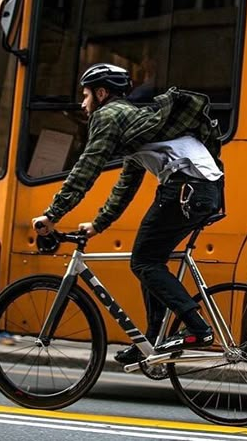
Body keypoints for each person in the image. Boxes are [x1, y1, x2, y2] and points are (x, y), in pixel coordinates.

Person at [32, 63, 224, 364]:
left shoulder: (108, 116)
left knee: (144, 260)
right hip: (201, 189)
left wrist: (53, 214)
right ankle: (154, 341)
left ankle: (198, 329)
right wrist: (98, 224)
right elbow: (126, 184)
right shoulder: (136, 125)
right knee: (151, 261)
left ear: (101, 92)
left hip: (187, 188)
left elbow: (87, 167)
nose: (83, 104)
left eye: (85, 96)